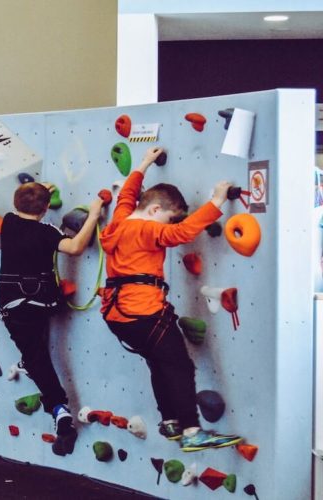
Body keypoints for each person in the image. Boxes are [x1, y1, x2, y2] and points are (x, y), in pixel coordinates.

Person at [100, 146, 242, 452]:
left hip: (117, 316)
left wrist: (144, 164)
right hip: (144, 313)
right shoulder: (148, 229)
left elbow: (127, 196)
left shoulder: (119, 222)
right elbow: (183, 232)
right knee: (179, 366)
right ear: (153, 212)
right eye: (167, 218)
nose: (167, 225)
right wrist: (217, 200)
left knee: (158, 363)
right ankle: (192, 431)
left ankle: (170, 421)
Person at [0, 182, 102, 455]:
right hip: (44, 301)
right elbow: (76, 247)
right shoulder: (47, 232)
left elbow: (22, 206)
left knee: (34, 354)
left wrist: (37, 191)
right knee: (35, 351)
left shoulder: (8, 223)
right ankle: (49, 394)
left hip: (13, 301)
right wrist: (93, 214)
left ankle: (58, 408)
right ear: (46, 208)